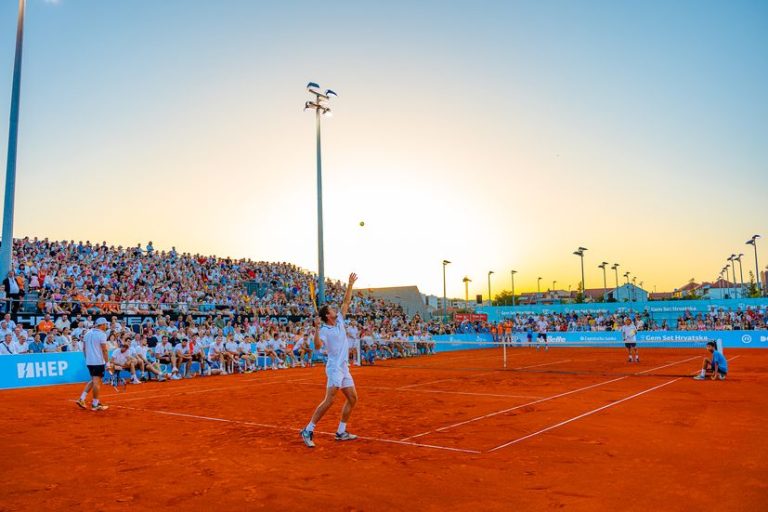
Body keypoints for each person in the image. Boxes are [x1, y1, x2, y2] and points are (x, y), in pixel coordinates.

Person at [301, 273, 359, 448]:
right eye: (332, 310)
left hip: (344, 367)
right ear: (327, 315)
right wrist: (317, 328)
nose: (335, 310)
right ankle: (308, 429)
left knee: (353, 398)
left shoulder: (340, 319)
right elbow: (318, 347)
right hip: (334, 368)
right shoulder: (324, 329)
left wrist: (350, 285)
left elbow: (346, 302)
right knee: (329, 400)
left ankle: (341, 431)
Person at [76, 317, 110, 411]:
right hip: (98, 361)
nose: (106, 326)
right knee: (97, 382)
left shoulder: (87, 333)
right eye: (105, 324)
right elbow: (104, 350)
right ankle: (95, 404)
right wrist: (107, 363)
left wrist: (88, 359)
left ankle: (82, 399)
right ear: (102, 325)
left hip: (89, 362)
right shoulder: (102, 334)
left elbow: (84, 349)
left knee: (94, 380)